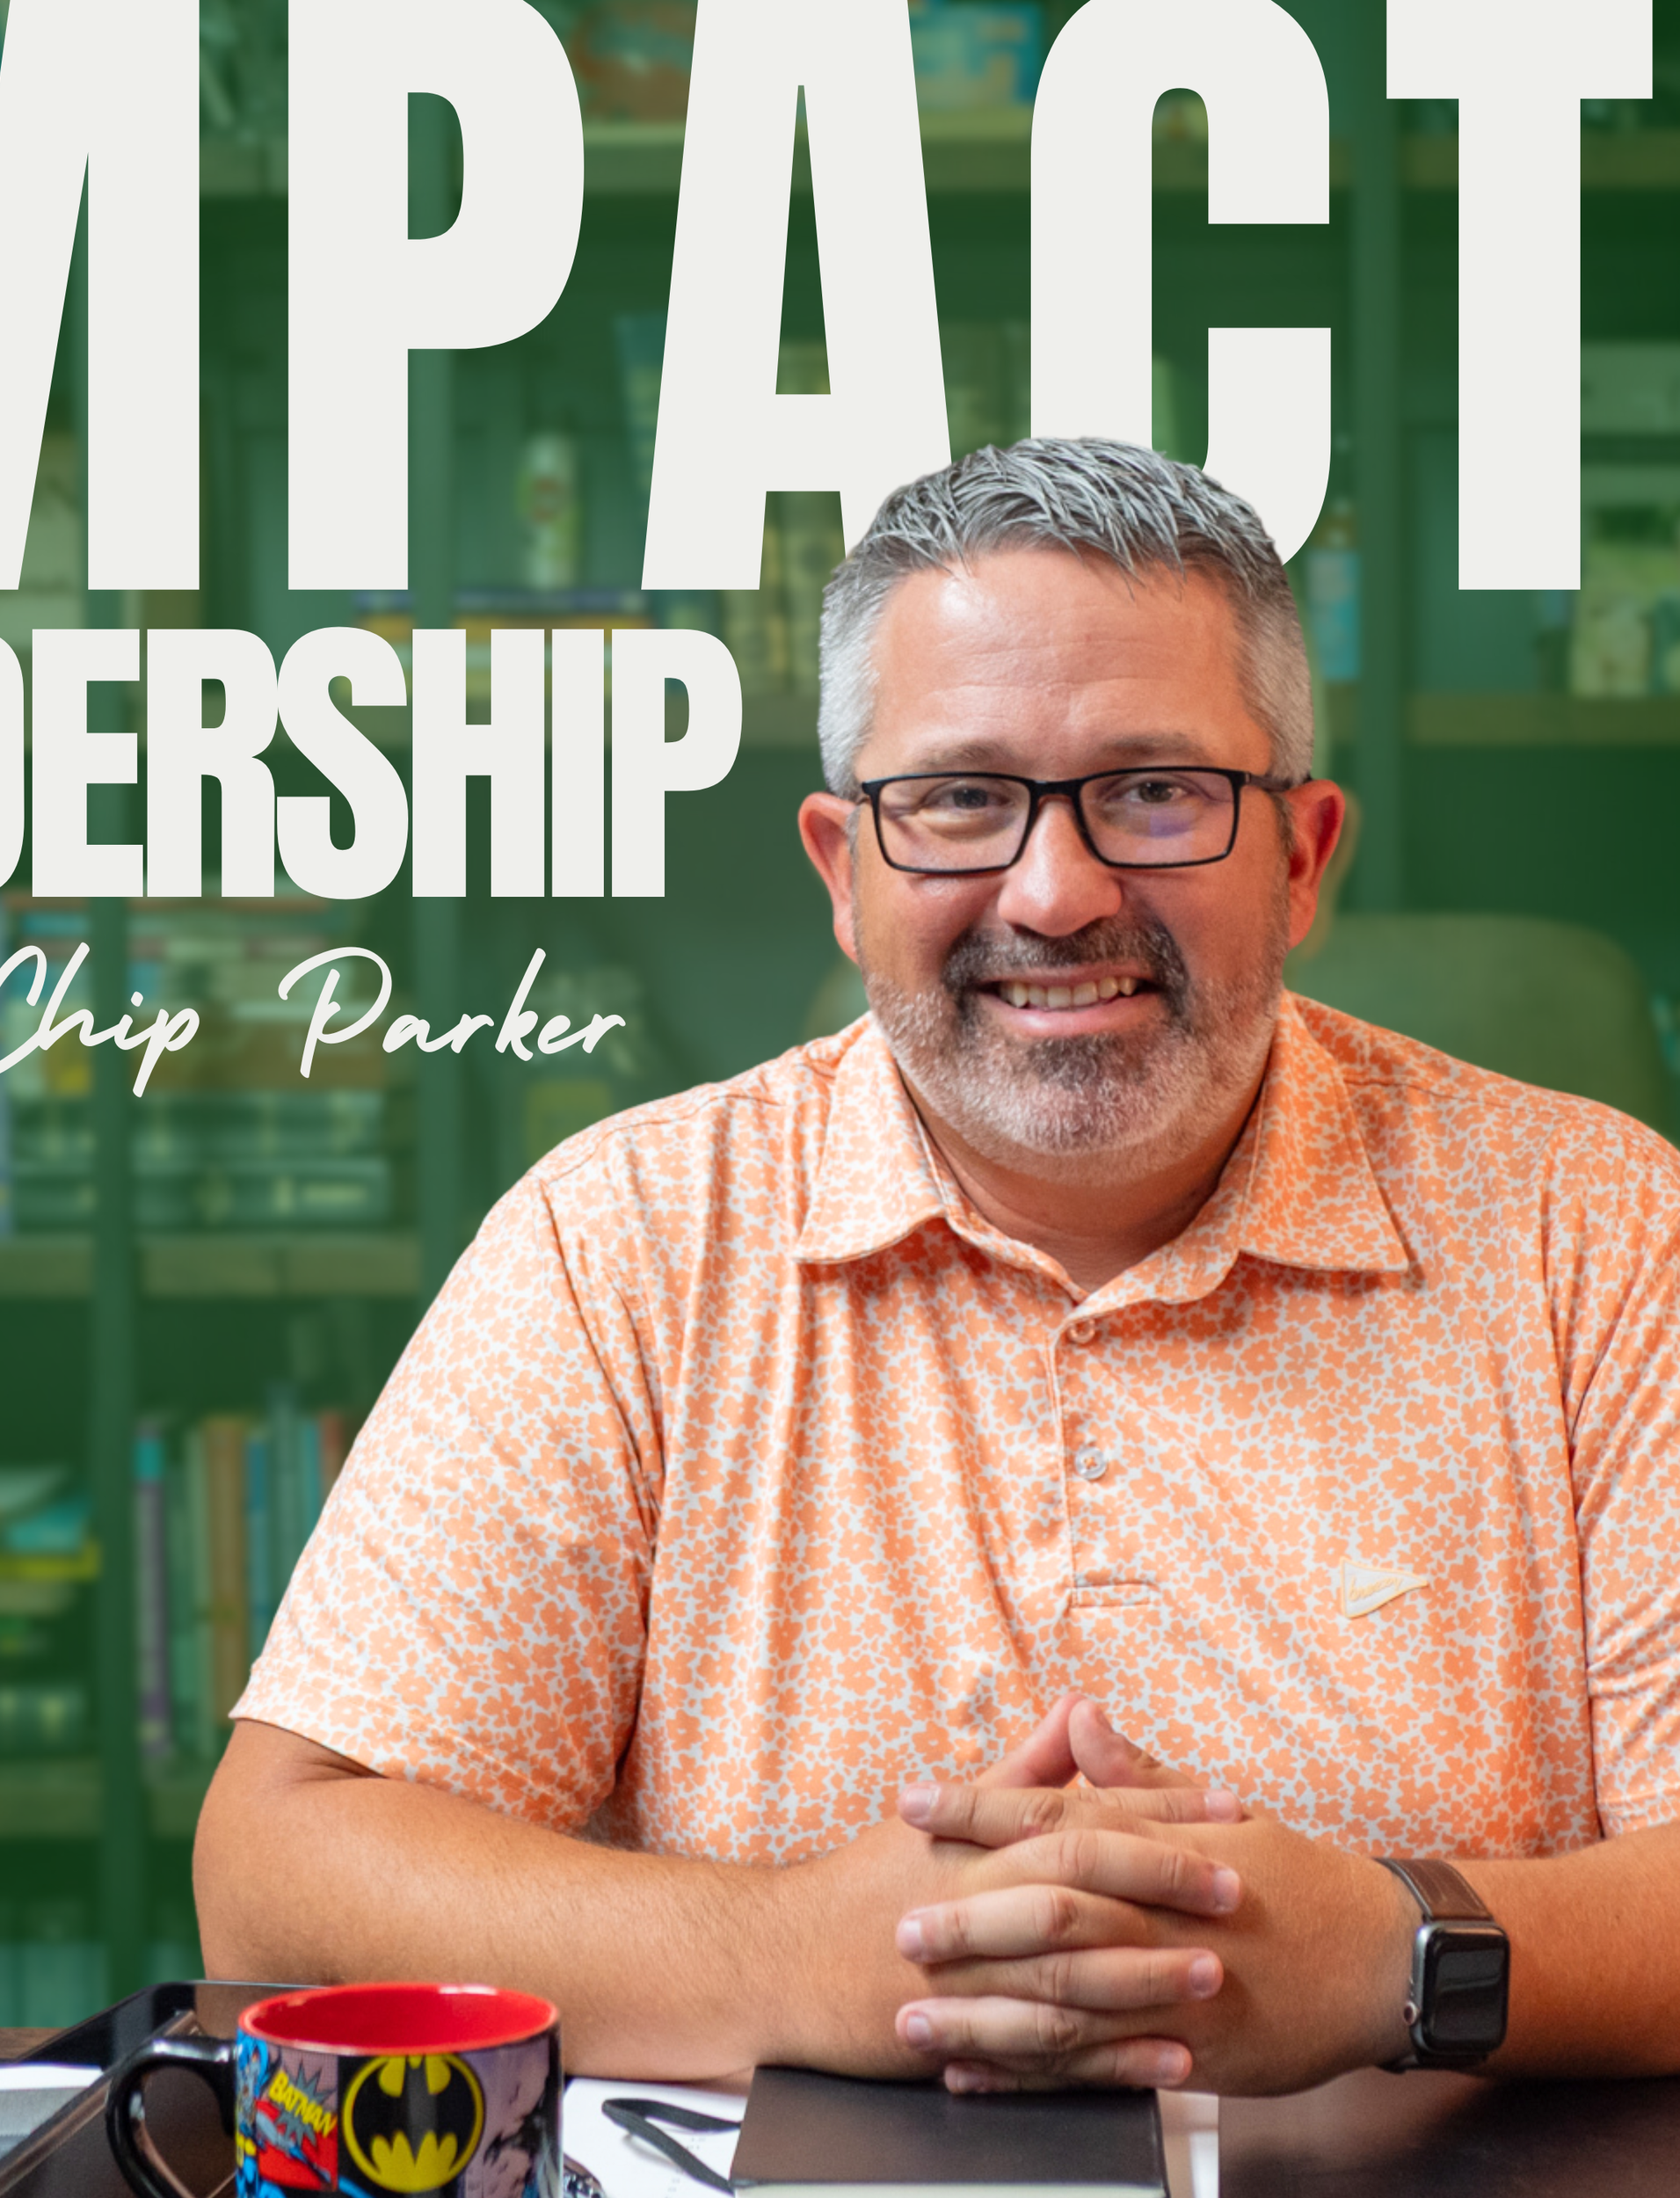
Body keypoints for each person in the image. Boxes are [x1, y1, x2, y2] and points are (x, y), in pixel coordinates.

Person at [195, 440, 1680, 2095]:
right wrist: (800, 1959)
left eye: (1155, 792)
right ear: (846, 870)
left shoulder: (1600, 1241)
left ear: (1304, 857)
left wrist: (1402, 1954)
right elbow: (275, 1877)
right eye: (962, 799)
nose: (1056, 893)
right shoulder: (621, 1241)